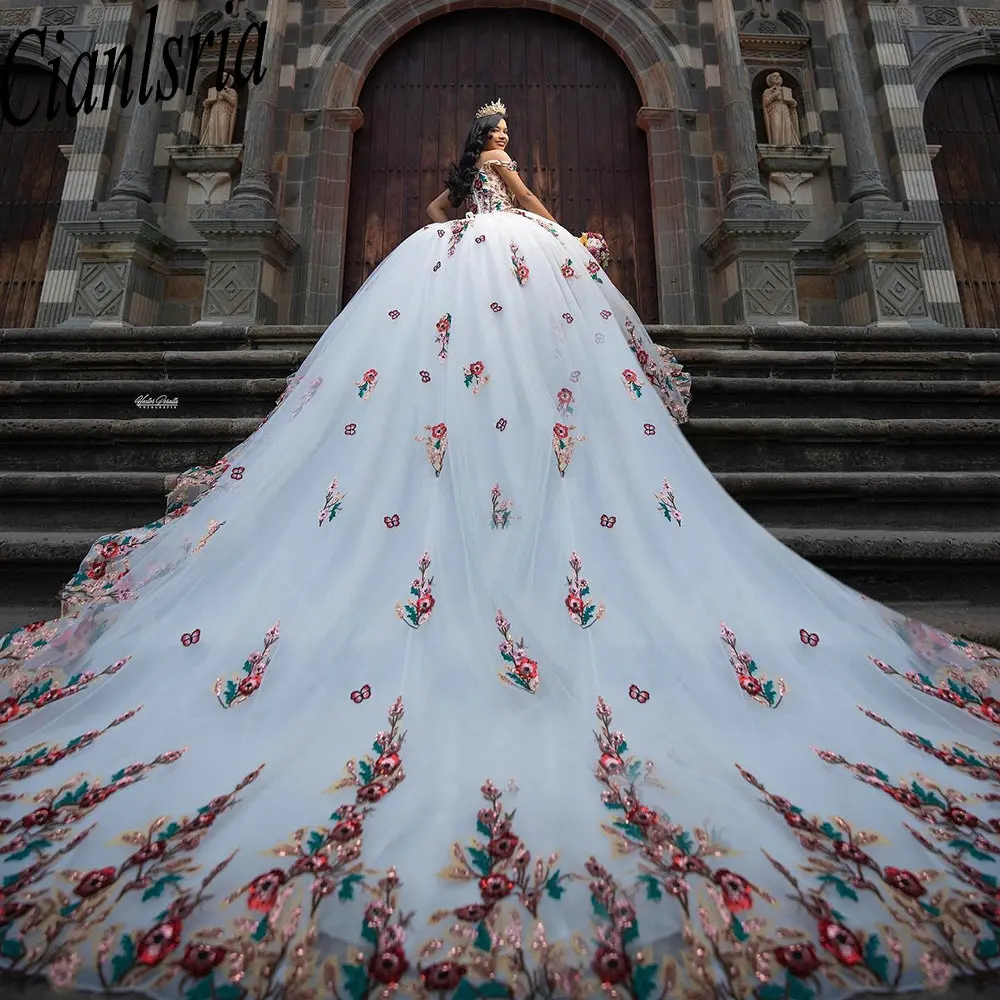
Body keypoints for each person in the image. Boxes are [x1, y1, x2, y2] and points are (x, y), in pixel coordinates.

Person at [0, 100, 998, 1000]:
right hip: (507, 287)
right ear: (490, 145)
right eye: (502, 133)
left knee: (441, 417)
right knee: (525, 406)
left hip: (450, 293)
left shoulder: (440, 226)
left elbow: (461, 226)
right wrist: (575, 240)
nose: (511, 141)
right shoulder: (507, 194)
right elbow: (549, 221)